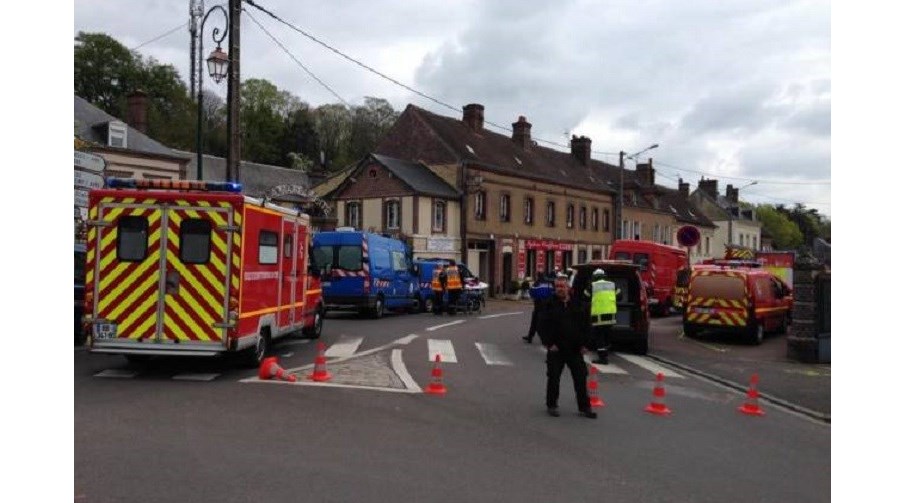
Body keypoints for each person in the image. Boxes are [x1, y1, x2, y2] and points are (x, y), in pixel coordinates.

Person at [538, 274, 597, 419]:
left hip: (575, 349)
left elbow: (586, 325)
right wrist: (548, 343)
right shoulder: (548, 304)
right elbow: (541, 324)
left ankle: (585, 407)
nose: (559, 289)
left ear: (568, 288)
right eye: (557, 287)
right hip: (556, 349)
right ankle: (552, 405)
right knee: (553, 377)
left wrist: (586, 344)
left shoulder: (578, 304)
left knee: (580, 377)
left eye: (562, 286)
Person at [589, 268, 619, 364]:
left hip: (598, 316)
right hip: (610, 316)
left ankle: (602, 358)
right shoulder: (612, 284)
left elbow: (584, 297)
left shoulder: (592, 285)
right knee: (606, 335)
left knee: (599, 337)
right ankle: (606, 352)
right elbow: (620, 296)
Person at [523, 275, 553, 343]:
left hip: (538, 304)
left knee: (535, 321)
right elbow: (553, 292)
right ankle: (546, 337)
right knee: (546, 321)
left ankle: (530, 337)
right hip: (548, 304)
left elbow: (532, 292)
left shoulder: (537, 282)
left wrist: (534, 297)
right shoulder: (549, 283)